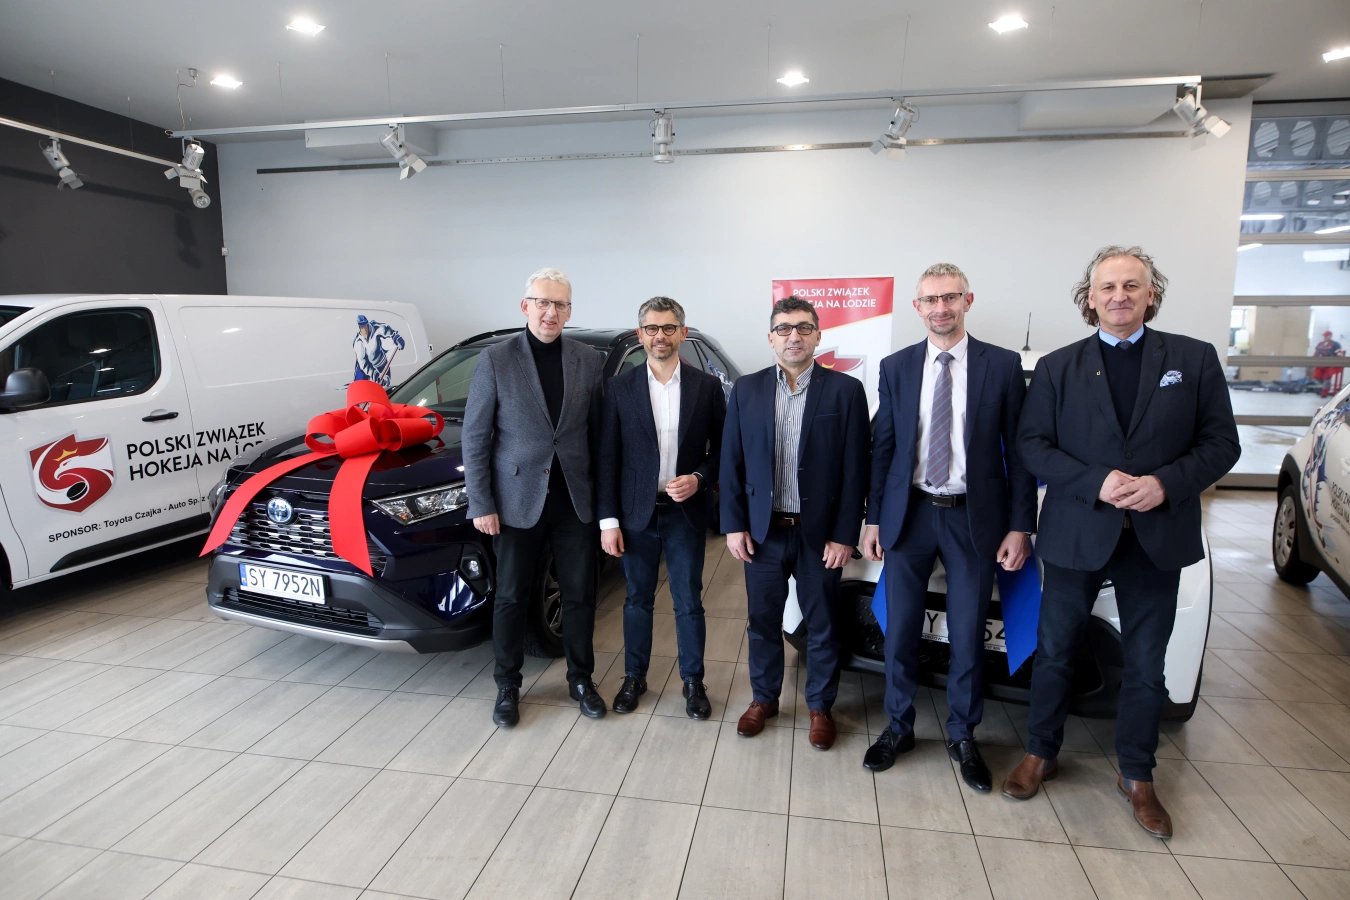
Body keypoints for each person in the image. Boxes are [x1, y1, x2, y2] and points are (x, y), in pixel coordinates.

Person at [1008, 246, 1239, 839]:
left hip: (1156, 538)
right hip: (1077, 534)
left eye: (1131, 285)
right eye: (1107, 287)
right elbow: (1032, 445)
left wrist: (1165, 484)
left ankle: (1137, 774)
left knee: (1146, 664)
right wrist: (1096, 481)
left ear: (1150, 294)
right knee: (1054, 652)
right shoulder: (1058, 366)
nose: (1119, 296)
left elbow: (1222, 444)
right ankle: (1040, 752)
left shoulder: (1193, 359)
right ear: (1090, 298)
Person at [860, 263, 1037, 791]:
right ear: (917, 307)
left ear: (967, 301)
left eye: (950, 297)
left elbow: (1021, 454)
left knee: (966, 634)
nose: (941, 308)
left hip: (973, 518)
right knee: (900, 631)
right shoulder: (896, 367)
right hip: (909, 515)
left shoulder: (1001, 365)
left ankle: (963, 734)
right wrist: (873, 517)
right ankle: (899, 727)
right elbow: (884, 449)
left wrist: (1020, 526)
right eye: (931, 299)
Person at [721, 296, 870, 750]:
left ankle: (820, 706)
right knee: (762, 621)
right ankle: (764, 699)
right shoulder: (746, 390)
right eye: (784, 328)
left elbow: (856, 470)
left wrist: (844, 535)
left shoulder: (845, 391)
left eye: (804, 327)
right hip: (763, 533)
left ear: (818, 336)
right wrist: (734, 525)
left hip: (819, 535)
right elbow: (732, 463)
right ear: (771, 338)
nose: (794, 336)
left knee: (823, 623)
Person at [462, 267, 606, 727]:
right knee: (510, 597)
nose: (551, 312)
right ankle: (508, 684)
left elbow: (598, 435)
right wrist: (482, 502)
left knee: (580, 595)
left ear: (569, 311)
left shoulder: (587, 360)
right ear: (526, 306)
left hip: (574, 500)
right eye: (543, 302)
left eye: (560, 304)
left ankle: (581, 679)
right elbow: (475, 436)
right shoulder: (496, 359)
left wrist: (604, 505)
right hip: (515, 500)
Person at [597, 297, 726, 717]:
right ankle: (634, 677)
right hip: (637, 514)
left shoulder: (706, 387)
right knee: (637, 600)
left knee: (688, 600)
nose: (660, 336)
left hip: (685, 513)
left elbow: (724, 450)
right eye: (652, 328)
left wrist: (700, 478)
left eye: (669, 328)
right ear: (640, 335)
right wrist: (609, 521)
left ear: (682, 333)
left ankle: (693, 682)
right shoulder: (620, 388)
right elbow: (608, 458)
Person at [352, 315, 405, 387]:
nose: (365, 330)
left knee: (386, 386)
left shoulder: (375, 328)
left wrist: (395, 336)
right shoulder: (358, 342)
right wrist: (374, 374)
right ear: (359, 328)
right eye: (362, 327)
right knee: (360, 386)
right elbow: (363, 362)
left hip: (381, 363)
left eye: (365, 326)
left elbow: (385, 329)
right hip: (369, 367)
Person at [1313, 330, 1343, 397]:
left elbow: (1340, 353)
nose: (1325, 337)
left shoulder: (1335, 344)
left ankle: (1324, 393)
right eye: (1324, 336)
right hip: (1320, 364)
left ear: (1330, 336)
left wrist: (1338, 358)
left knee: (1326, 378)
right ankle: (1324, 387)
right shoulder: (1320, 344)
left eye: (1326, 335)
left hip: (1330, 365)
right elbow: (1316, 352)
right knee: (1317, 376)